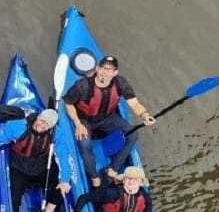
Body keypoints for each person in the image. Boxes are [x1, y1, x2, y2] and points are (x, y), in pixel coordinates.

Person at [62, 56, 156, 187]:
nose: (105, 72)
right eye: (102, 68)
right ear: (97, 68)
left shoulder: (120, 83)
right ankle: (94, 176)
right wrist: (77, 123)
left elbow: (134, 103)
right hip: (85, 120)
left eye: (109, 69)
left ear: (115, 72)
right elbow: (68, 103)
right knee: (84, 143)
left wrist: (144, 115)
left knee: (133, 134)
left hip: (108, 118)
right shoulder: (82, 85)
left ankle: (113, 169)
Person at [0, 109, 71, 212]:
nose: (42, 126)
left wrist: (65, 180)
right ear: (38, 117)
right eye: (42, 121)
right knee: (14, 197)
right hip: (19, 166)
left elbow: (63, 157)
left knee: (62, 186)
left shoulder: (57, 134)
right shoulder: (18, 127)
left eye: (47, 125)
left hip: (41, 167)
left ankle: (49, 211)